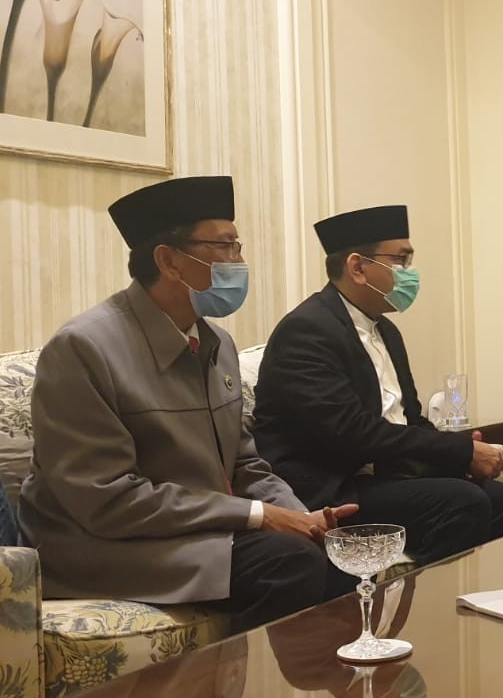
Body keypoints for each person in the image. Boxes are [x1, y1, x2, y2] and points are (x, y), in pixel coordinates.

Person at [18, 176, 356, 634]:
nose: (240, 262)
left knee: (337, 556)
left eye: (239, 247)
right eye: (226, 247)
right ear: (169, 261)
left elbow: (245, 464)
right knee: (288, 562)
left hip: (195, 532)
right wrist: (258, 516)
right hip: (103, 545)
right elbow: (106, 499)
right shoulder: (84, 348)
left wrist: (304, 518)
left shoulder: (217, 342)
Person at [252, 204, 503, 566]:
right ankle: (424, 605)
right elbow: (352, 433)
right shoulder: (306, 330)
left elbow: (408, 419)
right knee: (463, 502)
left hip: (386, 476)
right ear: (358, 268)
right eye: (401, 260)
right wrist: (456, 451)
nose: (409, 274)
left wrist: (460, 453)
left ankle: (471, 600)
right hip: (333, 486)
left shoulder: (386, 331)